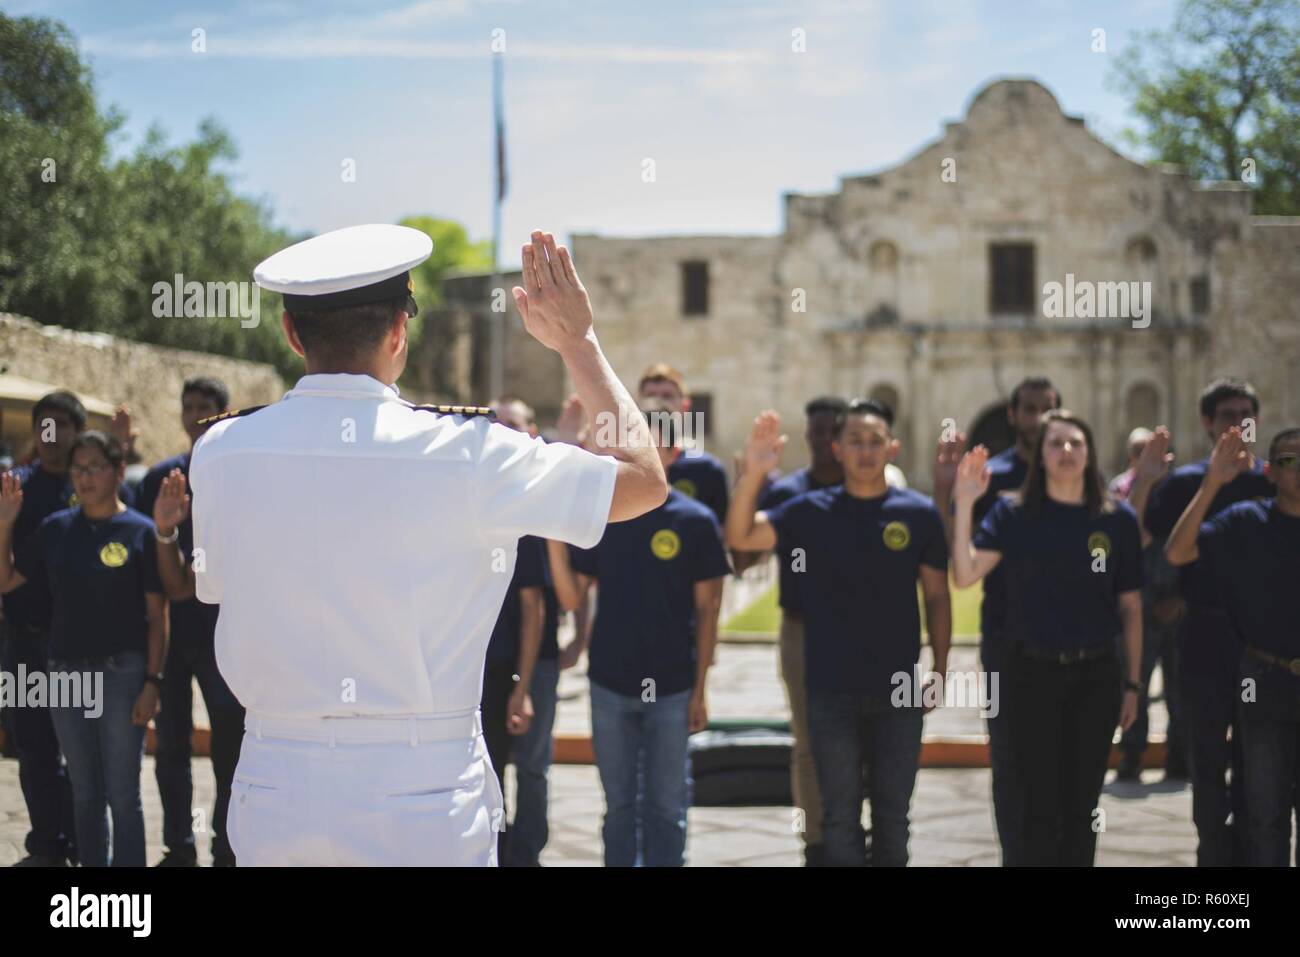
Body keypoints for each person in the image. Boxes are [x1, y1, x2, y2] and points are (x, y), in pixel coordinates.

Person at [188, 225, 665, 866]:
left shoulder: (221, 451)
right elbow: (642, 480)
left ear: (293, 334)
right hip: (422, 791)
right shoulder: (469, 452)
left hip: (279, 784)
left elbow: (212, 588)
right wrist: (579, 345)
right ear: (398, 333)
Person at [727, 400, 951, 866]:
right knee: (840, 818)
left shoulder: (918, 514)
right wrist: (754, 474)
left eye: (875, 442)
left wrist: (942, 668)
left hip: (899, 691)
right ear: (837, 448)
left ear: (892, 447)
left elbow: (937, 596)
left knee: (893, 817)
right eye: (855, 441)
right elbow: (743, 536)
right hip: (831, 689)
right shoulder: (808, 511)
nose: (865, 452)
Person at [950, 410, 1142, 866]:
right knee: (1035, 806)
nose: (1067, 452)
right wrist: (963, 503)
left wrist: (1133, 685)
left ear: (1090, 450)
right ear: (1040, 455)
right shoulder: (1012, 512)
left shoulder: (1116, 520)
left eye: (1076, 442)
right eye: (1055, 444)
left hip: (1096, 675)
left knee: (1082, 807)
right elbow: (964, 574)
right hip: (1029, 676)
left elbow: (1131, 608)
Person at [554, 407, 727, 867]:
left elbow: (709, 611)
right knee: (619, 808)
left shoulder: (697, 522)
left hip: (671, 688)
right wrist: (554, 533)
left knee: (666, 808)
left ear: (671, 452)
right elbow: (573, 596)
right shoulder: (605, 516)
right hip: (609, 683)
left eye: (651, 444)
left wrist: (700, 688)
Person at [0, 432, 166, 867]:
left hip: (123, 675)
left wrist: (152, 682)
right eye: (78, 469)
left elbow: (157, 616)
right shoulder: (55, 529)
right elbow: (8, 581)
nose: (85, 477)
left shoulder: (140, 532)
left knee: (122, 792)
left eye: (94, 467)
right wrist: (4, 525)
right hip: (65, 675)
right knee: (83, 790)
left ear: (116, 470)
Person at [1133, 377, 1272, 866]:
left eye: (1245, 415)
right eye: (1228, 415)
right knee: (1207, 760)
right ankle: (1213, 857)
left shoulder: (1275, 482)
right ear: (1208, 423)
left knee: (1262, 767)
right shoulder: (1186, 484)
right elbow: (1146, 545)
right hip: (1203, 640)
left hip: (1263, 648)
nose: (1237, 424)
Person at [932, 375, 1061, 865]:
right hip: (1008, 640)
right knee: (1010, 762)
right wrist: (949, 490)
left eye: (1045, 409)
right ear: (1012, 415)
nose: (1035, 419)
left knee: (1064, 767)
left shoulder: (1073, 477)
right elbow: (957, 554)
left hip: (1075, 643)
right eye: (1028, 409)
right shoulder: (992, 478)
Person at [1165, 426, 1300, 867]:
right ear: (1270, 472)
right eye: (1288, 461)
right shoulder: (1246, 522)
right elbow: (1179, 553)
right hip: (1265, 681)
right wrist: (1212, 484)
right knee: (1265, 817)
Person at [135, 377, 246, 867]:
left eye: (206, 406)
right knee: (172, 745)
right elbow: (149, 569)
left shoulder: (238, 477)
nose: (195, 414)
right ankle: (179, 845)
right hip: (173, 631)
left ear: (224, 413)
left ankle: (226, 847)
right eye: (189, 405)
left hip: (224, 631)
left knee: (230, 745)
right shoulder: (161, 480)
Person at [749, 395, 846, 865]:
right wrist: (750, 476)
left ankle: (848, 831)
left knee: (858, 744)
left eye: (834, 432)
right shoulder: (789, 493)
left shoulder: (869, 489)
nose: (825, 442)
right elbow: (743, 554)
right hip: (803, 631)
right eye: (817, 433)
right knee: (807, 744)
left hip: (859, 635)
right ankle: (816, 843)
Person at [0, 391, 86, 866]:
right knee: (33, 749)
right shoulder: (14, 487)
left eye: (62, 427)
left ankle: (79, 839)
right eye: (44, 427)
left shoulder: (89, 486)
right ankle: (46, 842)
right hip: (24, 641)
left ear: (76, 433)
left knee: (78, 753)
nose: (53, 437)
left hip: (77, 647)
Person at [1110, 427, 1186, 781]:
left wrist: (1180, 597)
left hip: (1176, 602)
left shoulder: (1182, 490)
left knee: (1180, 685)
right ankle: (1132, 753)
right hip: (1136, 604)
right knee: (1134, 683)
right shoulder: (1120, 491)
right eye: (1141, 452)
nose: (1149, 458)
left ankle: (1179, 753)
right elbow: (1125, 539)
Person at [638, 364, 729, 526]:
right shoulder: (628, 465)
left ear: (685, 406)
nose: (659, 402)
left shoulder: (708, 469)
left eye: (667, 396)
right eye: (651, 395)